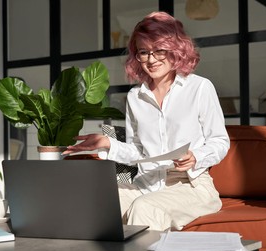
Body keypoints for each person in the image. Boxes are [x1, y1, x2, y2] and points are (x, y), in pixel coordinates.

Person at [63, 11, 230, 231]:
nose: (151, 60)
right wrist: (108, 143)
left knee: (144, 208)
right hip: (147, 183)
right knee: (98, 201)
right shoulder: (135, 97)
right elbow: (138, 153)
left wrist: (195, 157)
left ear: (176, 50)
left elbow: (220, 141)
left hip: (190, 184)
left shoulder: (199, 87)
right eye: (144, 52)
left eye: (159, 50)